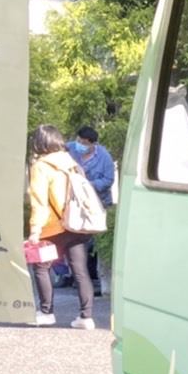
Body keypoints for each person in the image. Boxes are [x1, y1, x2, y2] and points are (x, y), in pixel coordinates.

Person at [26, 124, 95, 329]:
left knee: (41, 267)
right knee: (80, 271)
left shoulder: (41, 166)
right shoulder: (71, 162)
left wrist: (35, 230)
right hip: (76, 224)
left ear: (40, 142)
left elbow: (39, 201)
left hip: (52, 227)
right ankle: (86, 317)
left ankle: (46, 312)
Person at [68, 125, 115, 291]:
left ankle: (91, 278)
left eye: (84, 143)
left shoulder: (104, 157)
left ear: (93, 144)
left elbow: (108, 180)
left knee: (92, 242)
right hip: (74, 205)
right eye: (78, 140)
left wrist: (87, 185)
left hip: (97, 204)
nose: (79, 144)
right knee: (76, 239)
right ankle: (76, 276)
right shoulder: (69, 149)